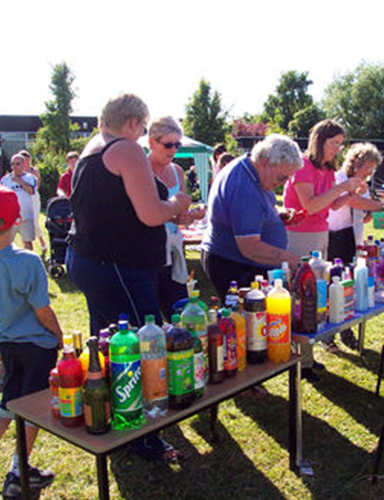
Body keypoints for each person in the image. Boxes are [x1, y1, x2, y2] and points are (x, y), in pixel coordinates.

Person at [66, 94, 191, 463]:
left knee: (106, 347)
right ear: (135, 123)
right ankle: (144, 435)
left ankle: (107, 418)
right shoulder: (126, 150)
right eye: (142, 127)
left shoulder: (92, 148)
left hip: (91, 261)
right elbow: (152, 213)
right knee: (142, 346)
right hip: (117, 266)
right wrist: (177, 205)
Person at [0, 185, 63, 498]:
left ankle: (17, 468)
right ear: (16, 221)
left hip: (6, 345)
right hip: (36, 348)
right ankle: (18, 469)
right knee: (33, 408)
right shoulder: (27, 262)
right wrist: (58, 335)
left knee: (8, 402)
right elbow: (42, 310)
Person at [202, 134, 302, 298]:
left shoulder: (252, 170)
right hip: (236, 266)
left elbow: (255, 209)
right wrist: (296, 262)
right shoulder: (245, 188)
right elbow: (250, 247)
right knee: (250, 320)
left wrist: (275, 216)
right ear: (265, 162)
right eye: (282, 177)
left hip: (238, 263)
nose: (284, 183)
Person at [148, 116, 205, 320]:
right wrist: (176, 216)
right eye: (169, 144)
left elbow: (179, 217)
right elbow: (146, 215)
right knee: (150, 316)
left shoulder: (177, 171)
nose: (174, 150)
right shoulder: (141, 171)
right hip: (149, 253)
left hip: (174, 253)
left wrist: (192, 216)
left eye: (178, 144)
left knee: (180, 314)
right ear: (152, 143)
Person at [283, 119, 363, 259]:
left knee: (320, 277)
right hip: (299, 234)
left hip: (321, 233)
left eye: (340, 144)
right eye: (334, 143)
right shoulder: (303, 166)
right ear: (320, 141)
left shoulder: (328, 169)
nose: (337, 149)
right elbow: (310, 206)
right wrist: (341, 187)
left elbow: (333, 204)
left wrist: (350, 193)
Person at [327, 142, 384, 264]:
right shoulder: (338, 179)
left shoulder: (363, 185)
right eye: (368, 168)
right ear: (356, 163)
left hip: (356, 239)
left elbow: (364, 215)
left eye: (373, 169)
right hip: (336, 237)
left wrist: (371, 213)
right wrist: (382, 206)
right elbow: (354, 202)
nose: (370, 173)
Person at [0, 154, 36, 250]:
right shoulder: (5, 179)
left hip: (26, 215)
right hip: (10, 216)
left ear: (23, 164)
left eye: (17, 164)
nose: (15, 167)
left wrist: (20, 181)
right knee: (5, 242)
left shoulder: (30, 178)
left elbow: (31, 191)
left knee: (27, 241)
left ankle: (28, 262)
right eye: (13, 164)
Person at [19, 150, 47, 253]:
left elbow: (35, 187)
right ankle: (26, 246)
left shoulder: (34, 171)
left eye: (27, 160)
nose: (26, 162)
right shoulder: (17, 172)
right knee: (23, 222)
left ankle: (42, 242)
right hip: (21, 198)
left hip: (33, 198)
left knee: (34, 222)